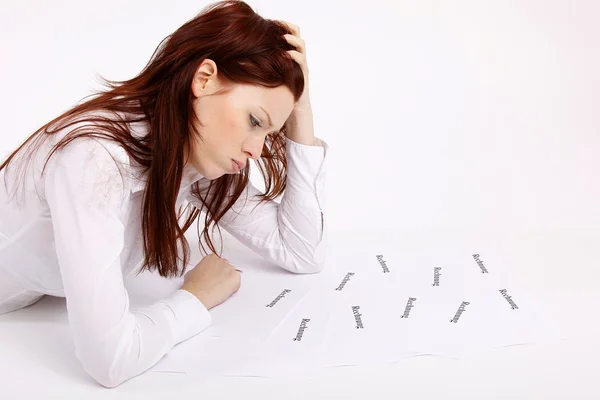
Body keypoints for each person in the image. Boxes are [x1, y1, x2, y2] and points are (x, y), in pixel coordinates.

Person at [0, 0, 327, 388]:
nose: (256, 150)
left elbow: (302, 252)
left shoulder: (195, 155)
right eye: (254, 121)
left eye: (268, 133)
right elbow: (110, 361)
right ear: (204, 79)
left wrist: (301, 112)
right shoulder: (95, 160)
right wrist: (195, 297)